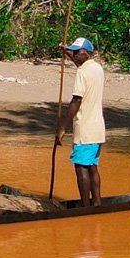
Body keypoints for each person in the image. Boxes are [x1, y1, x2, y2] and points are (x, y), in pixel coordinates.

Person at [54, 36, 105, 205]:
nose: (74, 55)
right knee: (91, 167)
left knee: (81, 167)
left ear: (86, 53)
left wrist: (63, 127)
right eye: (73, 52)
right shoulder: (97, 68)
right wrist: (66, 51)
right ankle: (96, 203)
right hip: (98, 130)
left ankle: (85, 207)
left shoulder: (82, 72)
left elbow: (76, 100)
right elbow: (78, 62)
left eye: (77, 52)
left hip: (85, 129)